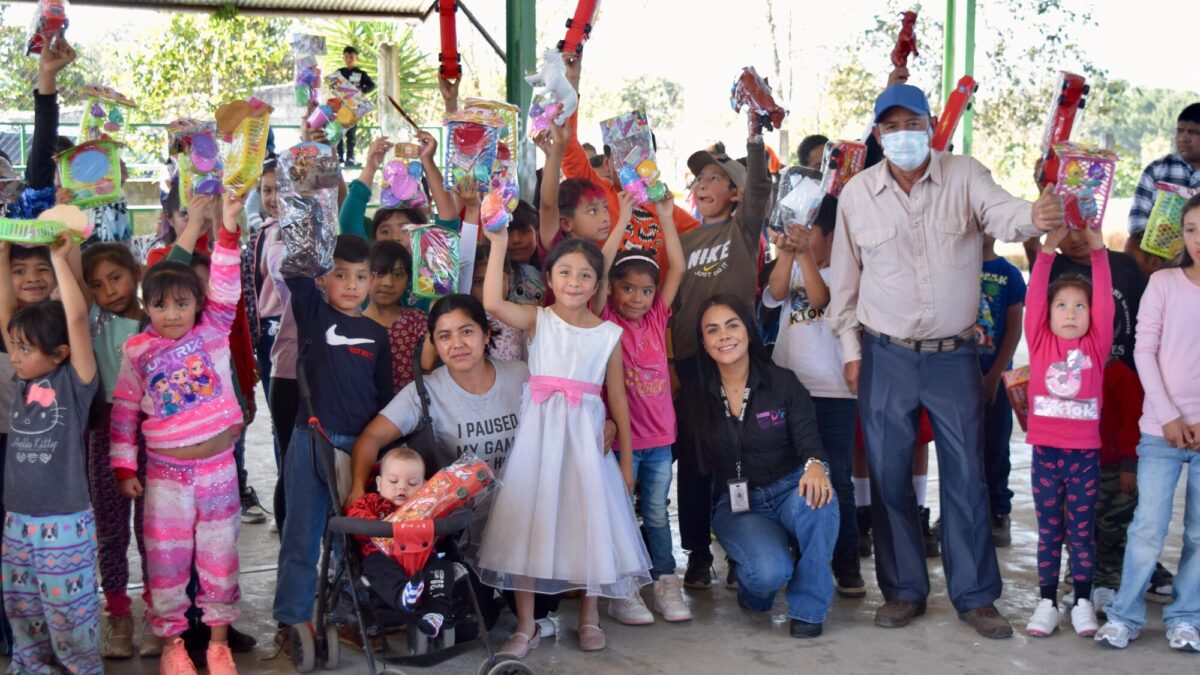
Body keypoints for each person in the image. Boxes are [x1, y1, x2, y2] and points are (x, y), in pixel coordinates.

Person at [827, 83, 1061, 638]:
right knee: (888, 479)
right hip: (885, 358)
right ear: (878, 133)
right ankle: (904, 590)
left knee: (966, 477)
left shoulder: (964, 173)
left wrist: (1037, 212)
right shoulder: (857, 194)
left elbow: (1004, 215)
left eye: (913, 123)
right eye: (891, 126)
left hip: (954, 356)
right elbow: (846, 282)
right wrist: (850, 350)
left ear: (931, 127)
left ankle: (976, 596)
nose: (902, 135)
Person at [475, 233, 650, 656]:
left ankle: (589, 617)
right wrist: (497, 242)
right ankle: (526, 625)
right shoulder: (539, 319)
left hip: (586, 447)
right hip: (538, 445)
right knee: (529, 527)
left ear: (597, 284)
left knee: (587, 524)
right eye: (565, 272)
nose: (575, 281)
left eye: (585, 274)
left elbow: (619, 400)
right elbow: (493, 304)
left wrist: (627, 462)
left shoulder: (608, 333)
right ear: (550, 277)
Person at [109, 194, 245, 674]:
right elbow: (125, 409)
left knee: (220, 555)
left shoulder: (214, 331)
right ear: (147, 307)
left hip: (218, 471)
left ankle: (218, 643)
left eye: (182, 304)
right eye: (161, 306)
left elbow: (228, 285)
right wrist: (124, 466)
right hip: (165, 475)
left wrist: (227, 231)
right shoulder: (137, 350)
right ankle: (172, 645)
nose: (171, 314)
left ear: (197, 305)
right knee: (167, 561)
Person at [677, 295, 839, 638]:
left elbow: (809, 440)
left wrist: (815, 465)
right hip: (739, 505)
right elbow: (685, 466)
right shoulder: (695, 397)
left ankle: (808, 610)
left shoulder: (783, 383)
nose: (724, 336)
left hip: (789, 488)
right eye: (712, 330)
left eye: (732, 325)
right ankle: (757, 577)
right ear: (704, 344)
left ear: (749, 331)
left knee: (821, 498)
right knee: (766, 576)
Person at [272, 234, 392, 641]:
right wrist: (312, 211)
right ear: (323, 279)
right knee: (301, 535)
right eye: (341, 275)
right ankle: (293, 621)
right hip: (311, 439)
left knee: (352, 540)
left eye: (361, 276)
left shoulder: (377, 336)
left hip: (357, 447)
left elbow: (385, 400)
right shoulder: (312, 313)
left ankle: (346, 614)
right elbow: (294, 270)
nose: (353, 285)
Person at [1096, 194, 1200, 653]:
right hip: (1161, 429)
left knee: (1198, 533)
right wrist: (1171, 416)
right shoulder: (1164, 283)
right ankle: (1125, 614)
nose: (1198, 239)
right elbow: (1144, 351)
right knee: (1148, 526)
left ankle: (1185, 616)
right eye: (1192, 229)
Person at [673, 106, 771, 589]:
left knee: (739, 458)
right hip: (691, 365)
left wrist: (753, 141)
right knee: (694, 460)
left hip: (737, 363)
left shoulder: (743, 230)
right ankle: (696, 554)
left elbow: (759, 188)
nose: (703, 186)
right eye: (698, 181)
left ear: (733, 192)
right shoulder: (684, 240)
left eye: (714, 178)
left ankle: (740, 548)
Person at [0, 235, 102, 674]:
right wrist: (4, 255)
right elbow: (7, 317)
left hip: (63, 523)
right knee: (23, 611)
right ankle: (30, 667)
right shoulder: (24, 380)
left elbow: (76, 320)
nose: (15, 357)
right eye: (14, 348)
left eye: (24, 349)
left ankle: (81, 668)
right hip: (17, 520)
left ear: (58, 353)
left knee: (69, 616)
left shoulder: (75, 383)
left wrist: (60, 258)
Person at [596, 194, 691, 624]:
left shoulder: (655, 318)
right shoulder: (605, 322)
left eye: (646, 290)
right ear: (612, 289)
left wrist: (667, 218)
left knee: (655, 513)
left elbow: (680, 267)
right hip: (621, 446)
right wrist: (625, 219)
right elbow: (600, 269)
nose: (636, 297)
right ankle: (623, 588)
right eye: (627, 288)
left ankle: (667, 583)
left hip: (660, 443)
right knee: (619, 516)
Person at [763, 195, 864, 598]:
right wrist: (788, 253)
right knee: (792, 475)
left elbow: (821, 302)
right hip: (789, 388)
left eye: (810, 232)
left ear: (833, 236)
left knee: (836, 476)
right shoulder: (794, 262)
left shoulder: (846, 272)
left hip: (834, 392)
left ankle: (847, 563)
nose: (803, 237)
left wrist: (804, 255)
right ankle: (799, 555)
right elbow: (774, 293)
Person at [1022, 222, 1112, 638]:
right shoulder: (1040, 342)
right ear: (1048, 313)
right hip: (1046, 455)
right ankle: (1046, 602)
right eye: (1062, 305)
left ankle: (1080, 602)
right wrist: (1047, 251)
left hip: (1083, 458)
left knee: (1080, 534)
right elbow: (1036, 294)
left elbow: (1106, 304)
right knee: (1049, 533)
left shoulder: (1095, 346)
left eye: (1080, 306)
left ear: (1092, 315)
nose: (1071, 313)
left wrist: (1098, 253)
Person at [81, 243, 151, 658]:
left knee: (151, 530)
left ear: (136, 273)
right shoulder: (93, 321)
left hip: (152, 432)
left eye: (116, 277)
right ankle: (119, 614)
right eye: (97, 285)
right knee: (110, 529)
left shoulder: (157, 319)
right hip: (104, 431)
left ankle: (158, 611)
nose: (109, 290)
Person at [345, 447, 453, 637]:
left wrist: (436, 516)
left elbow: (441, 533)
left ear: (424, 486)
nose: (402, 488)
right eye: (393, 481)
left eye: (412, 483)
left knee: (441, 568)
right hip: (382, 555)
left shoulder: (425, 508)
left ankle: (436, 613)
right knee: (378, 568)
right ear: (379, 483)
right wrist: (382, 525)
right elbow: (355, 515)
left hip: (421, 555)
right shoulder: (372, 502)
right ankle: (404, 595)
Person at [977, 234, 1026, 546]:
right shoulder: (955, 268)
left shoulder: (1009, 274)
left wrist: (995, 374)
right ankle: (961, 512)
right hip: (955, 377)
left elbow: (1013, 328)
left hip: (994, 377)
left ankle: (998, 512)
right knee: (960, 449)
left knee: (995, 445)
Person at [1126, 103, 1200, 237]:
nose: (1183, 138)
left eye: (1193, 132)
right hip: (1157, 253)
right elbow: (1136, 223)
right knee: (1132, 245)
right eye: (1180, 131)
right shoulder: (1156, 170)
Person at [364, 240, 427, 393]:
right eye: (380, 272)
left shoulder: (417, 320)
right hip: (365, 412)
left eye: (398, 274)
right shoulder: (351, 324)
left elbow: (428, 364)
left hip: (413, 411)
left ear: (408, 280)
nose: (388, 282)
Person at [335, 46, 377, 167]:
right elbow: (332, 85)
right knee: (339, 132)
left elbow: (371, 85)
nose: (349, 59)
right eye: (346, 57)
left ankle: (350, 158)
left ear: (356, 58)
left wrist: (362, 89)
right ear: (343, 58)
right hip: (340, 108)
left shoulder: (360, 73)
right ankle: (339, 157)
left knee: (351, 134)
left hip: (354, 109)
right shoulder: (340, 72)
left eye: (351, 57)